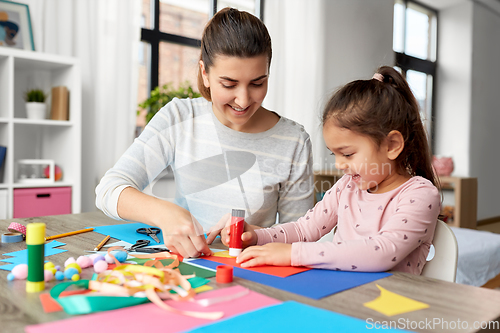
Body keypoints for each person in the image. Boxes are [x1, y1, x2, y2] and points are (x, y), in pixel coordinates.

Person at [95, 7, 314, 259]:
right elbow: (108, 190)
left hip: (250, 274)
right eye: (229, 84)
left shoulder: (293, 141)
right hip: (185, 269)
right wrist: (165, 213)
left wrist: (259, 235)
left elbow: (302, 236)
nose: (243, 100)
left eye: (257, 83)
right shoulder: (179, 117)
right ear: (205, 73)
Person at [232, 66, 441, 275]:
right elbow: (304, 229)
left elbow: (382, 252)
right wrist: (258, 237)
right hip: (338, 296)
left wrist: (293, 254)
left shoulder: (420, 194)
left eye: (348, 154)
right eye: (335, 154)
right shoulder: (347, 187)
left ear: (392, 145)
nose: (339, 165)